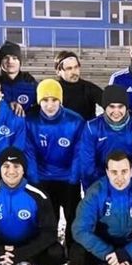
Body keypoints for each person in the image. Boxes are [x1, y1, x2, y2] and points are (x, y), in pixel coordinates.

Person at [24, 79, 85, 250]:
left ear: (61, 100)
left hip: (68, 179)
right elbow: (29, 153)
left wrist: (73, 179)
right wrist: (35, 181)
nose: (49, 105)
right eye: (45, 100)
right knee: (48, 219)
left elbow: (78, 153)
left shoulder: (75, 121)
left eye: (54, 100)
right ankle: (48, 251)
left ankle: (73, 251)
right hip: (43, 178)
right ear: (39, 101)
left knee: (73, 217)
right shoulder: (30, 121)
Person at [77, 85, 132, 190]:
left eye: (120, 106)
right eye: (112, 107)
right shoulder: (92, 127)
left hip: (131, 181)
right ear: (105, 107)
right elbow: (87, 165)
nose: (116, 112)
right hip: (102, 182)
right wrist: (94, 191)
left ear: (126, 107)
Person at [54, 50, 103, 121]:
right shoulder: (53, 89)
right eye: (69, 68)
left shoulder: (89, 88)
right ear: (58, 72)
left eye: (76, 67)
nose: (74, 72)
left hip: (85, 131)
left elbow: (111, 106)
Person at [0, 41, 38, 117]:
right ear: (0, 62)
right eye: (6, 57)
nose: (10, 61)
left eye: (14, 58)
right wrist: (6, 106)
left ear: (20, 62)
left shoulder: (31, 83)